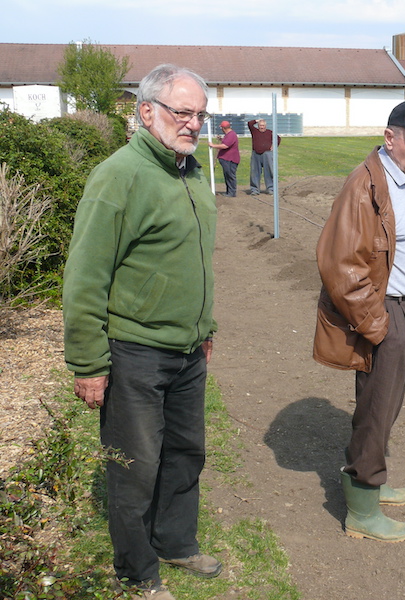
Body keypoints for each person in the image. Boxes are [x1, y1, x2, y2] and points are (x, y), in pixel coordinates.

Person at [62, 64, 221, 600]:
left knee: (184, 453)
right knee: (135, 468)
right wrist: (88, 362)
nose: (194, 122)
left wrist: (205, 325)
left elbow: (192, 259)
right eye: (183, 111)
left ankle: (175, 541)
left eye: (200, 113)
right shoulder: (119, 176)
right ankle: (138, 572)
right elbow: (85, 275)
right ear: (147, 111)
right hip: (134, 352)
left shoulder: (192, 172)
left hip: (187, 348)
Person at [313, 99, 405, 543]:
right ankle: (362, 509)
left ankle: (373, 478)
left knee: (386, 404)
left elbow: (397, 244)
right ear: (390, 138)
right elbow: (340, 266)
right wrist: (376, 325)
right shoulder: (365, 186)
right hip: (384, 311)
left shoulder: (404, 182)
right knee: (376, 406)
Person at [247, 118, 280, 195]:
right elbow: (249, 124)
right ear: (258, 126)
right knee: (254, 172)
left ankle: (270, 188)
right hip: (256, 154)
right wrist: (257, 120)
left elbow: (278, 139)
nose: (262, 127)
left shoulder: (270, 132)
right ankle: (254, 189)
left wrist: (274, 146)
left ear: (265, 125)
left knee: (269, 172)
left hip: (267, 154)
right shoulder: (255, 131)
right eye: (260, 125)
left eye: (263, 125)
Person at [209, 120, 240, 197]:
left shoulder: (231, 135)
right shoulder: (228, 135)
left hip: (230, 159)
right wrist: (221, 140)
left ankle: (232, 192)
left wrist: (213, 145)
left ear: (223, 128)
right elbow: (225, 143)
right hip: (225, 159)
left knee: (230, 175)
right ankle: (229, 191)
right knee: (227, 175)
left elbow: (225, 146)